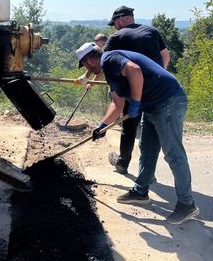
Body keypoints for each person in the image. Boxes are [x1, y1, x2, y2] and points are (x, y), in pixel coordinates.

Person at [75, 42, 199, 225]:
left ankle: (187, 204)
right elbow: (117, 105)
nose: (88, 69)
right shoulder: (110, 72)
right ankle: (140, 192)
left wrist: (135, 101)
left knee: (173, 154)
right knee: (147, 149)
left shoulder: (109, 58)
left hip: (168, 101)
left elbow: (135, 71)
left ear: (90, 59)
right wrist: (102, 125)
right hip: (152, 106)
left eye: (85, 64)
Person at [102, 5, 170, 175]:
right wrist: (157, 75)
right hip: (155, 91)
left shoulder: (116, 37)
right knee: (151, 133)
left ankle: (123, 162)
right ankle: (147, 174)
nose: (115, 26)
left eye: (115, 23)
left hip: (134, 90)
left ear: (121, 19)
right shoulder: (152, 31)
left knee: (129, 127)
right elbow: (165, 56)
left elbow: (106, 62)